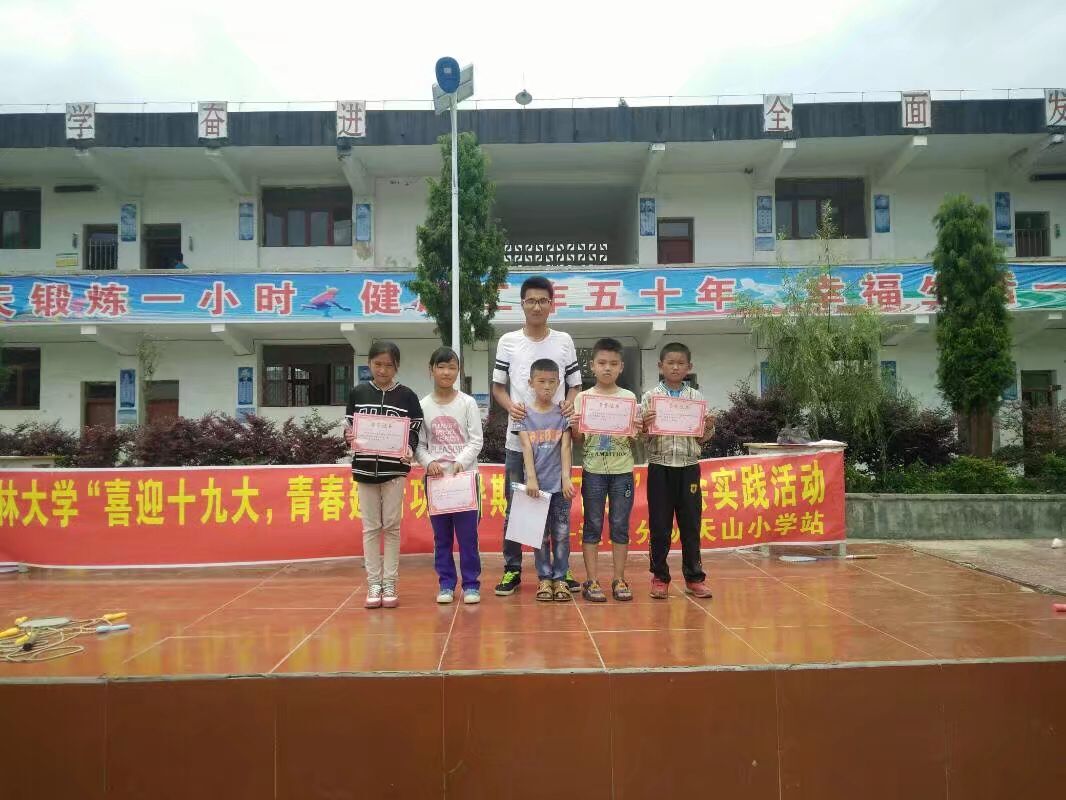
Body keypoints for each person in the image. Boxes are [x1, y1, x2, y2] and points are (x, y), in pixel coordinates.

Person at [491, 276, 583, 596]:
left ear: (552, 304)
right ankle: (512, 569)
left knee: (558, 510)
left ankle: (561, 570)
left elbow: (575, 385)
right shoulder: (508, 342)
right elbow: (498, 388)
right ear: (522, 304)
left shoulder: (563, 341)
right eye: (530, 300)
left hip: (555, 442)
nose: (537, 306)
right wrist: (511, 408)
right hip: (519, 442)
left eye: (543, 300)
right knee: (517, 508)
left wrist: (569, 405)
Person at [345, 341, 423, 609]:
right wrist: (349, 437)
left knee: (391, 527)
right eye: (377, 364)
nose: (382, 370)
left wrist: (409, 448)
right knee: (370, 528)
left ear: (396, 367)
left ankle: (389, 582)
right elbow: (350, 428)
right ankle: (373, 583)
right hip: (364, 468)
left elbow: (414, 430)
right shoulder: (358, 393)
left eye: (388, 365)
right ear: (369, 364)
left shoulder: (407, 396)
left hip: (394, 470)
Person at [639, 342, 716, 600]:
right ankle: (660, 577)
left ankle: (694, 578)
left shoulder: (697, 399)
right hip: (660, 467)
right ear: (660, 366)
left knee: (691, 524)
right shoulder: (650, 397)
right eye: (670, 363)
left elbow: (702, 438)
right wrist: (645, 427)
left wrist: (708, 426)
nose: (675, 367)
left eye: (680, 363)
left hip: (688, 467)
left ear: (689, 367)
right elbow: (640, 436)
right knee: (660, 525)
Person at [571, 337, 639, 602]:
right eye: (602, 363)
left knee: (620, 525)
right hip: (593, 471)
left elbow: (633, 439)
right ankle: (591, 580)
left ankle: (619, 579)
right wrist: (575, 427)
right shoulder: (583, 398)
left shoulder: (629, 398)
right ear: (592, 366)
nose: (607, 368)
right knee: (593, 524)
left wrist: (636, 430)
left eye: (613, 363)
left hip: (623, 471)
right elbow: (578, 439)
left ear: (621, 367)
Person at [415, 346, 484, 605]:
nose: (446, 372)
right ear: (431, 370)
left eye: (452, 367)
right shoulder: (423, 405)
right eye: (441, 367)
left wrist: (460, 463)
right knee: (441, 537)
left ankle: (471, 585)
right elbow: (418, 444)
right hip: (436, 483)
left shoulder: (467, 403)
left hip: (464, 480)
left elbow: (476, 440)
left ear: (458, 371)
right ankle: (445, 584)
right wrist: (429, 462)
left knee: (468, 537)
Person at [515, 359, 575, 602]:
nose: (547, 386)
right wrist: (531, 479)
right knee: (539, 535)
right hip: (535, 488)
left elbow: (566, 447)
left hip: (560, 488)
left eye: (552, 382)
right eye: (541, 381)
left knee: (561, 534)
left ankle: (560, 578)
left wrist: (566, 479)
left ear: (559, 383)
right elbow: (525, 446)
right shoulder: (523, 414)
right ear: (531, 383)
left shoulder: (563, 413)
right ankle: (544, 579)